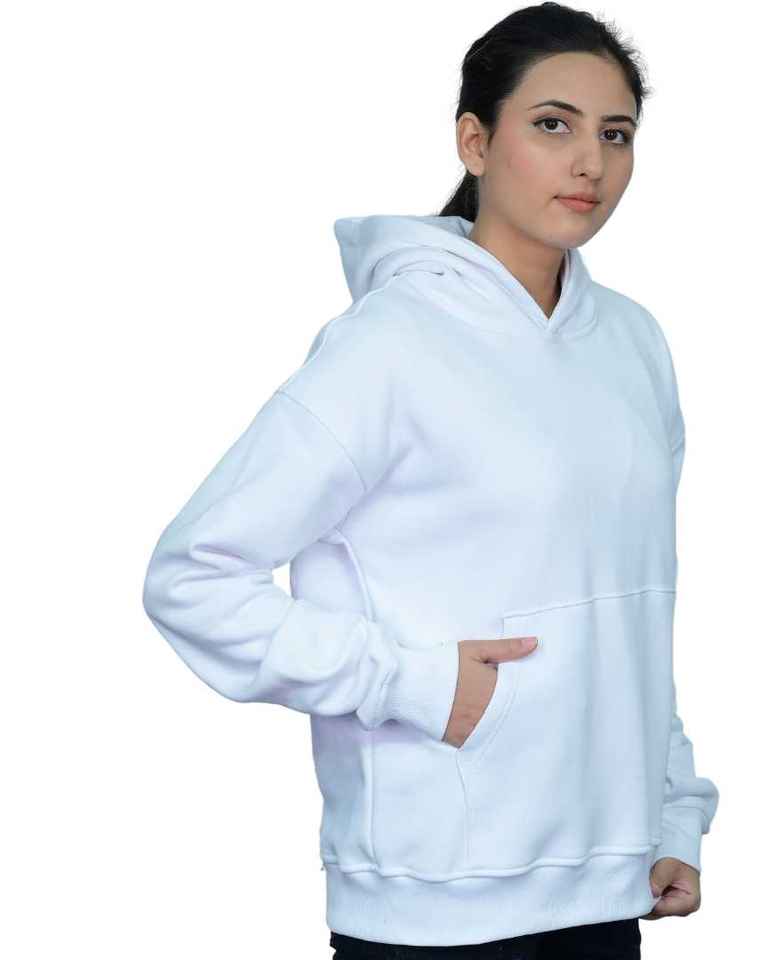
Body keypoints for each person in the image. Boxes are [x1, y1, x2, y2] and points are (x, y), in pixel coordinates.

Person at [141, 3, 719, 956]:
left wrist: (670, 811)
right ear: (475, 141)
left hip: (606, 892)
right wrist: (412, 683)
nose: (590, 162)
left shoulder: (633, 344)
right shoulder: (389, 346)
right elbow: (192, 576)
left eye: (616, 135)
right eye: (553, 124)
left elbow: (635, 606)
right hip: (429, 905)